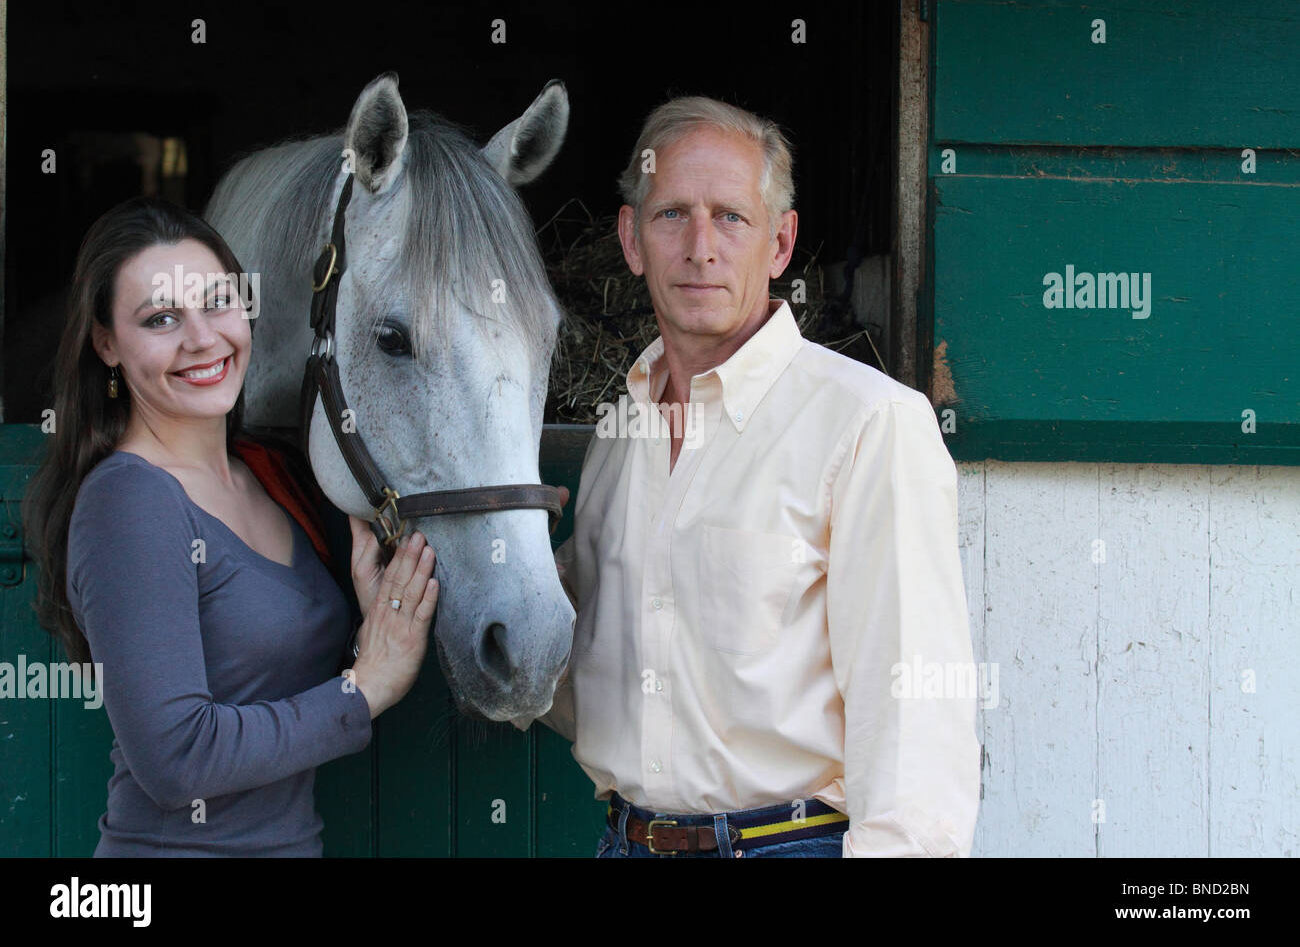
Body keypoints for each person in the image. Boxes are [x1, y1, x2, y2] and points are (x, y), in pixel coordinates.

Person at [520, 97, 980, 857]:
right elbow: (593, 684)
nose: (701, 247)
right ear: (631, 240)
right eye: (671, 216)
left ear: (781, 243)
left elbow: (916, 711)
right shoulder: (619, 435)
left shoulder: (868, 424)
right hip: (625, 839)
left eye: (731, 217)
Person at [23, 196, 436, 856]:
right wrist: (368, 686)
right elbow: (176, 761)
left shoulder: (264, 474)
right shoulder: (129, 501)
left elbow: (261, 685)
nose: (202, 338)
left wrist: (367, 634)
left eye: (218, 302)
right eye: (161, 318)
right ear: (106, 343)